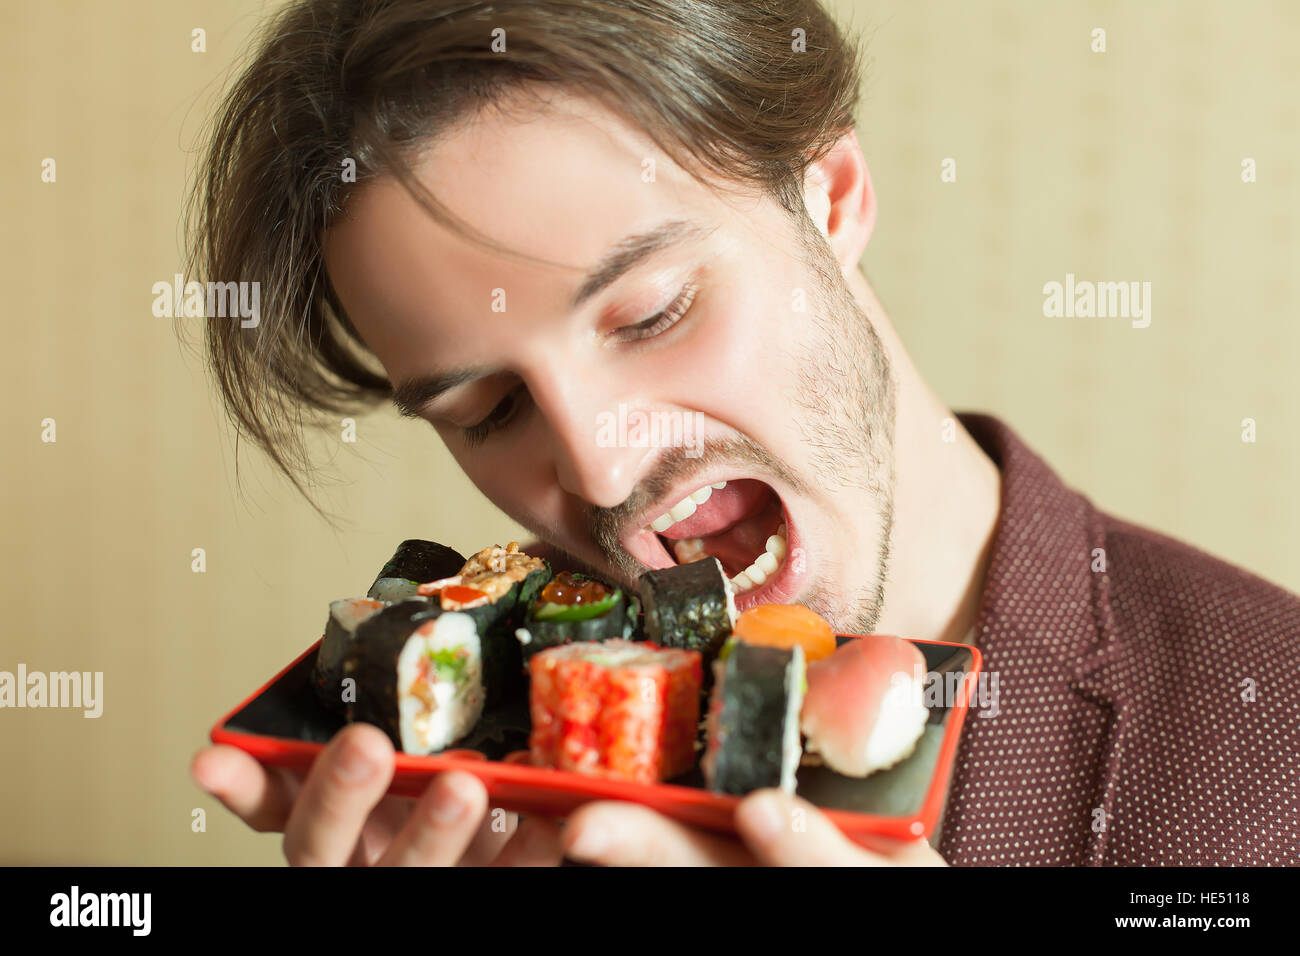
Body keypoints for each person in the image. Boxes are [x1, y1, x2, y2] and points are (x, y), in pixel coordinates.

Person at [187, 0, 1300, 866]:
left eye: (652, 313)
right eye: (491, 411)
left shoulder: (1271, 740)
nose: (598, 464)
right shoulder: (507, 779)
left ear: (833, 194)